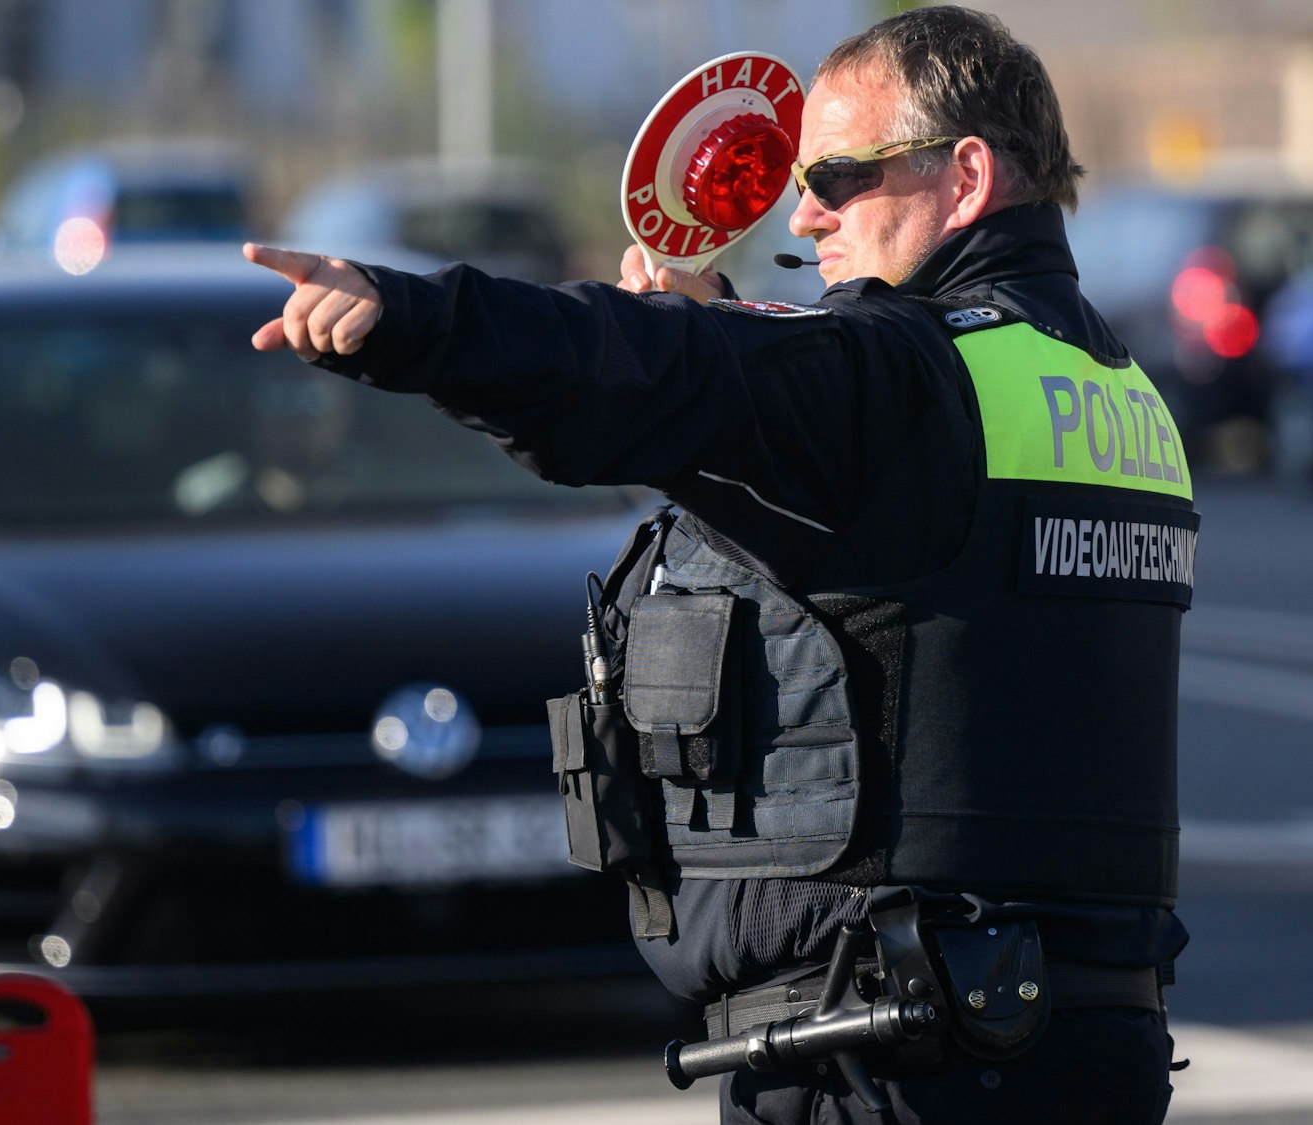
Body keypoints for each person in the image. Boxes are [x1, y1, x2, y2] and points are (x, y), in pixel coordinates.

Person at [245, 7, 1192, 1123]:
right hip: (1073, 1042)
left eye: (836, 176)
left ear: (966, 174)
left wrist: (413, 319)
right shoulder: (1110, 391)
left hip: (893, 1065)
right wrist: (729, 338)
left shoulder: (909, 385)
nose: (804, 213)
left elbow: (663, 375)